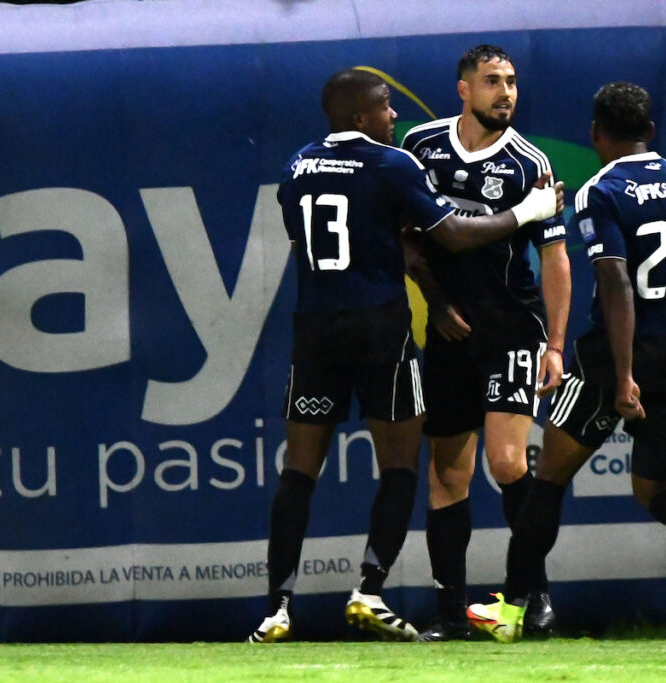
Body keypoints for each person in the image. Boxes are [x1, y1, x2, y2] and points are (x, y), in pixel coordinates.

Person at [247, 68, 563, 644]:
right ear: (360, 118)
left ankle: (276, 608)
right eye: (386, 107)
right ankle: (372, 591)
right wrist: (530, 210)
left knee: (298, 470)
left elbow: (304, 235)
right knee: (403, 465)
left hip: (315, 327)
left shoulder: (296, 165)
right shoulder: (396, 161)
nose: (395, 116)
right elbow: (453, 235)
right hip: (379, 325)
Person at [466, 81, 666, 642]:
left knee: (549, 477)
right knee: (657, 489)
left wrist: (625, 374)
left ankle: (514, 607)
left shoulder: (601, 190)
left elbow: (615, 280)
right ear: (650, 131)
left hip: (612, 359)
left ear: (596, 133)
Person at [400, 44, 571, 641]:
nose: (507, 92)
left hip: (509, 326)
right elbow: (407, 238)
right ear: (463, 89)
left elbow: (555, 260)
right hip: (448, 331)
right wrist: (435, 297)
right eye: (493, 81)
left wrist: (555, 344)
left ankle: (532, 595)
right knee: (447, 475)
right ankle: (451, 614)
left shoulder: (529, 164)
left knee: (505, 462)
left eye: (513, 81)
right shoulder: (420, 147)